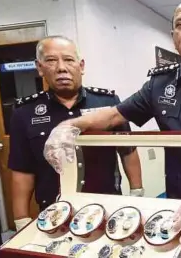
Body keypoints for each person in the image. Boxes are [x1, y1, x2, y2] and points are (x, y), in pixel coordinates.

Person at [42, 0, 181, 245]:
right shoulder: (159, 85)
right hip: (178, 204)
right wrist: (69, 126)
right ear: (174, 36)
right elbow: (115, 115)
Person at [9, 36, 144, 232]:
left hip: (106, 205)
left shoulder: (107, 104)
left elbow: (128, 151)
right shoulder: (24, 113)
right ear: (40, 67)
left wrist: (137, 194)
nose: (61, 68)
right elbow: (22, 171)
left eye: (68, 60)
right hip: (54, 212)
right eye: (51, 60)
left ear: (81, 66)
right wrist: (21, 220)